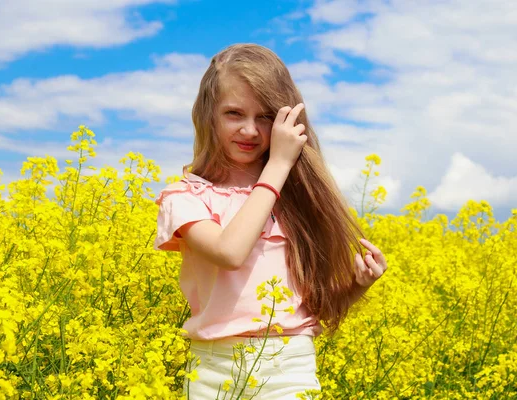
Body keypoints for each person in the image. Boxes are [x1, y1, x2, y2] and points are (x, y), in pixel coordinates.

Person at [154, 43, 388, 399]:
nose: (250, 130)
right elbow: (228, 252)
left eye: (265, 117)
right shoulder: (186, 198)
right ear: (207, 115)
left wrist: (357, 286)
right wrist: (278, 165)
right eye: (234, 113)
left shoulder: (296, 203)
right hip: (212, 370)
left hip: (289, 366)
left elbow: (316, 311)